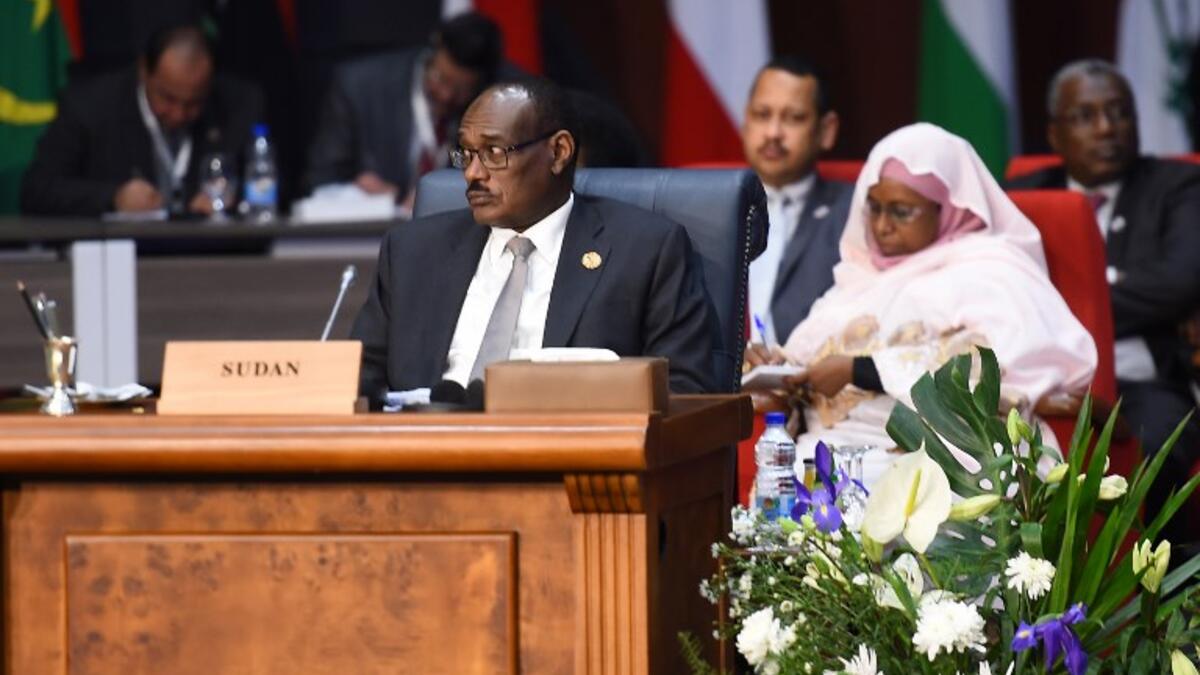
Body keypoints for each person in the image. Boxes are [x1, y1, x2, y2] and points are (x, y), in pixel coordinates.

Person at [350, 79, 718, 406]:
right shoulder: (413, 252)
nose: (473, 173)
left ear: (558, 152)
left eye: (495, 153)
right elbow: (356, 382)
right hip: (422, 462)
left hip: (572, 468)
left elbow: (685, 392)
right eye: (465, 153)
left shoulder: (644, 250)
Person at [772, 123, 1096, 486]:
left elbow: (998, 368)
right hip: (837, 447)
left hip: (948, 453)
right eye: (874, 208)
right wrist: (778, 369)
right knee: (786, 488)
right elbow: (811, 362)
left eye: (901, 211)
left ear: (949, 208)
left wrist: (861, 369)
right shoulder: (856, 279)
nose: (882, 226)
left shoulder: (992, 270)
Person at [1007, 59, 1200, 543]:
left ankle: (1150, 590)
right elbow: (998, 286)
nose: (1106, 128)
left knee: (1154, 447)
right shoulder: (1024, 195)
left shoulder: (1176, 187)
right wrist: (1130, 292)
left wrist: (1050, 305)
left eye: (1119, 113)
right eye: (1085, 116)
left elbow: (1179, 282)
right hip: (1037, 384)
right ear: (1054, 134)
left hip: (1144, 385)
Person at [20, 24, 263, 218]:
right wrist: (114, 197)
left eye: (193, 103)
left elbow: (267, 185)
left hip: (209, 260)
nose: (178, 113)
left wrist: (229, 200)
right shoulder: (90, 106)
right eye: (168, 98)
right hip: (119, 258)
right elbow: (38, 190)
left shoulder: (238, 106)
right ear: (144, 72)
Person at [305, 12, 503, 208]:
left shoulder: (497, 104)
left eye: (461, 90)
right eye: (440, 78)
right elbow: (322, 177)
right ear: (431, 55)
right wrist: (382, 194)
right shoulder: (359, 88)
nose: (446, 95)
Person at [741, 56, 853, 349]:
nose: (773, 133)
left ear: (826, 130)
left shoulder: (856, 212)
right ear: (745, 121)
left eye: (793, 118)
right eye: (762, 114)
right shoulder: (705, 208)